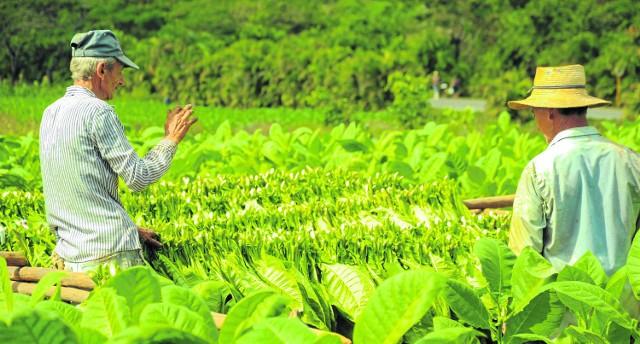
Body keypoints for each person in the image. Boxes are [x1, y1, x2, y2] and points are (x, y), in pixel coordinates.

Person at [40, 29, 198, 272]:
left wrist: (130, 230)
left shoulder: (51, 112)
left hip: (70, 255)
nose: (122, 81)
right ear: (102, 69)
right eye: (120, 72)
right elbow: (138, 177)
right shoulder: (98, 112)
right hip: (108, 255)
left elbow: (77, 188)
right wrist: (171, 139)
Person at [508, 64, 640, 317]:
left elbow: (525, 255)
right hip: (621, 316)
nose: (535, 121)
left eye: (534, 111)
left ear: (549, 112)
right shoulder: (631, 161)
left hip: (565, 315)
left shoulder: (540, 168)